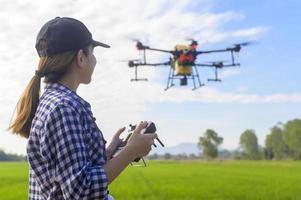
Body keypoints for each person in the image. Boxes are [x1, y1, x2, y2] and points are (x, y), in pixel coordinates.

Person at [8, 17, 157, 200]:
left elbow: (65, 170)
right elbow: (81, 190)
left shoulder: (54, 102)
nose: (94, 60)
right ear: (80, 58)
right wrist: (131, 151)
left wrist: (110, 151)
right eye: (92, 53)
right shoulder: (64, 108)